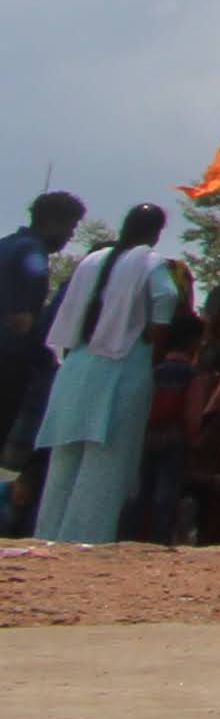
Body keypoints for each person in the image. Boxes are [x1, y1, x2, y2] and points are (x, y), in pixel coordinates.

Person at [30, 205, 189, 544]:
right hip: (122, 364)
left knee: (64, 458)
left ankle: (49, 534)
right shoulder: (150, 262)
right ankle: (86, 538)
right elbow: (167, 296)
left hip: (76, 365)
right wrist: (154, 333)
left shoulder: (92, 260)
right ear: (156, 232)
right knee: (107, 461)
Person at [0, 191, 77, 537]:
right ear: (53, 222)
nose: (70, 236)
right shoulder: (34, 256)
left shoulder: (7, 244)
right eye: (70, 227)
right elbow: (23, 321)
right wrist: (45, 355)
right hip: (8, 361)